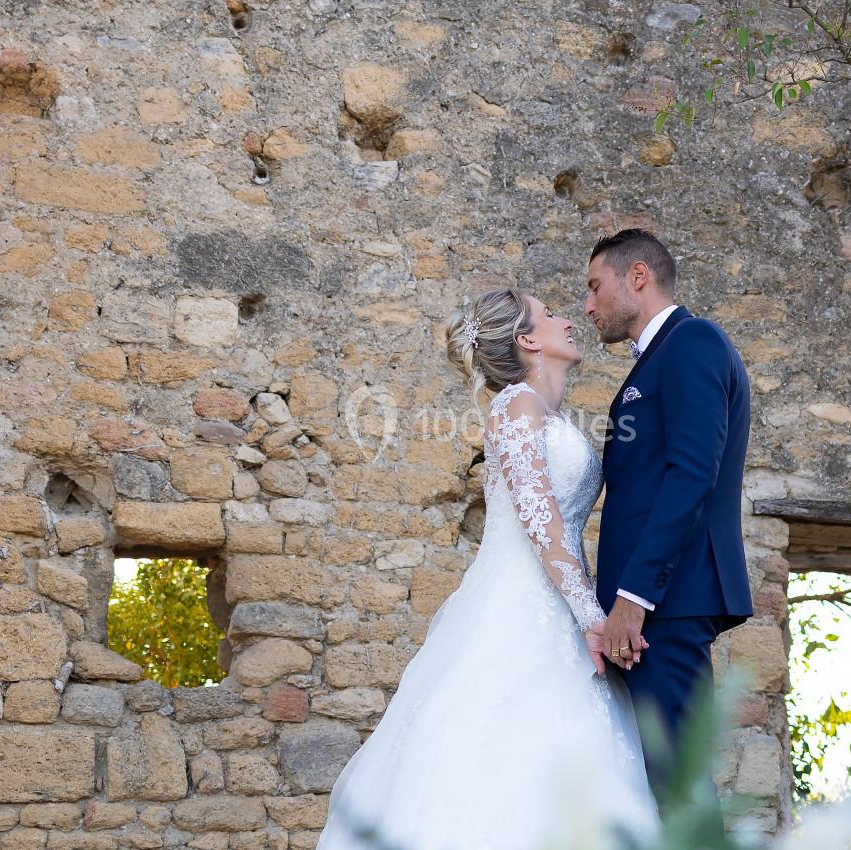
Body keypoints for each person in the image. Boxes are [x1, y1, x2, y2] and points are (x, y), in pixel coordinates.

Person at [315, 288, 659, 850]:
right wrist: (590, 614)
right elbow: (539, 519)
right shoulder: (515, 406)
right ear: (526, 340)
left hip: (555, 607)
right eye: (550, 314)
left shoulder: (545, 412)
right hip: (523, 608)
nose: (568, 319)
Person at [583, 228, 754, 788]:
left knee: (680, 792)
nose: (587, 305)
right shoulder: (653, 361)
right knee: (658, 789)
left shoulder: (692, 341)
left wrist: (634, 600)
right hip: (652, 609)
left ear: (638, 277)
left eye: (594, 286)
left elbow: (692, 473)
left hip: (667, 605)